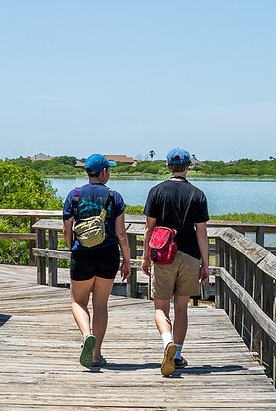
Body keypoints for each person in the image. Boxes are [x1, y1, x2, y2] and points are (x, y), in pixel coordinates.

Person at [141, 148, 210, 376]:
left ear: (168, 166)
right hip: (190, 256)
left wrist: (145, 257)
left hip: (163, 256)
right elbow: (202, 233)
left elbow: (149, 229)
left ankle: (167, 341)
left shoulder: (156, 191)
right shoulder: (198, 194)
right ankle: (177, 355)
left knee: (161, 307)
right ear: (189, 166)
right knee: (181, 308)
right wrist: (205, 264)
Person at [63, 153, 131, 368]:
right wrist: (127, 261)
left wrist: (72, 247)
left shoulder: (73, 195)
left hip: (82, 254)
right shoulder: (115, 197)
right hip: (108, 254)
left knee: (78, 301)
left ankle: (86, 335)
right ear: (103, 172)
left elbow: (66, 229)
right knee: (100, 304)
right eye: (109, 170)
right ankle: (95, 354)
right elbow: (121, 234)